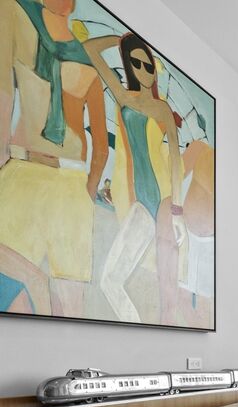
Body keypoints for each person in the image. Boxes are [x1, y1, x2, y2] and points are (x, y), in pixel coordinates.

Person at [0, 0, 109, 316]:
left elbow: (3, 95)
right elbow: (99, 150)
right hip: (61, 178)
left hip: (30, 171)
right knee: (67, 306)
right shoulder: (87, 65)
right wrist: (84, 196)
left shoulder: (14, 14)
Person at [84, 31, 188, 323]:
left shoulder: (162, 109)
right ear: (129, 67)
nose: (144, 70)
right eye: (137, 64)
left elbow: (176, 162)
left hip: (166, 201)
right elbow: (90, 49)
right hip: (142, 203)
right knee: (109, 280)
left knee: (167, 291)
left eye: (148, 65)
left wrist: (178, 211)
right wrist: (119, 39)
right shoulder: (123, 97)